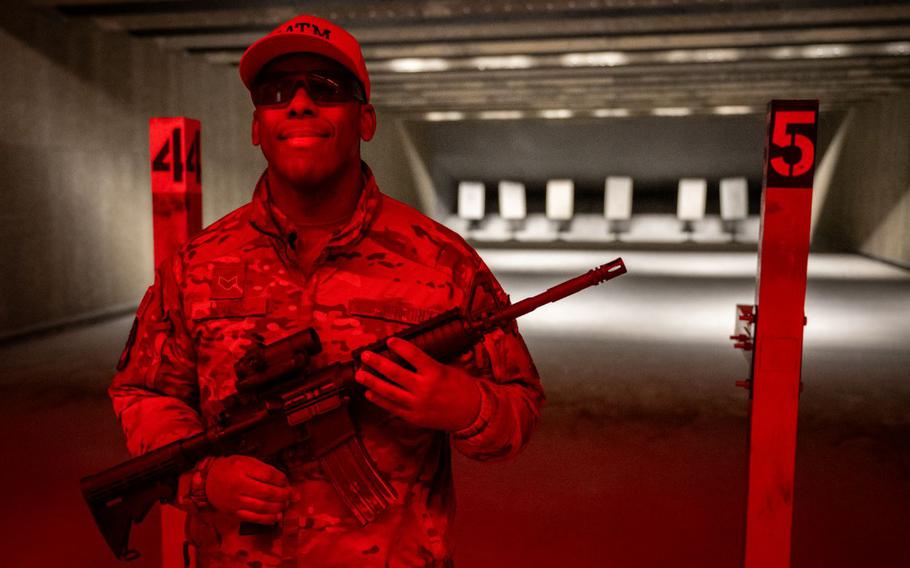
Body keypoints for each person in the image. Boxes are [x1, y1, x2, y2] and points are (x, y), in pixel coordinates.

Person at [110, 14, 544, 568]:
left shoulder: (442, 261)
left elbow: (520, 404)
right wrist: (204, 477)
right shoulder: (197, 264)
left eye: (325, 89)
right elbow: (143, 393)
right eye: (275, 92)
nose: (298, 104)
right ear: (256, 126)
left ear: (366, 120)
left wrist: (465, 405)